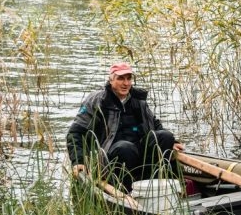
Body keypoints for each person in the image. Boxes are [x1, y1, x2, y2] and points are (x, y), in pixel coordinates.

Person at [67, 62, 183, 191]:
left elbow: (154, 124)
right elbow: (75, 133)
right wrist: (78, 160)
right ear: (111, 80)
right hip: (112, 157)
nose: (126, 83)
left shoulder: (138, 100)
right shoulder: (97, 101)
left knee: (165, 136)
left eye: (129, 78)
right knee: (125, 148)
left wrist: (171, 142)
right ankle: (125, 190)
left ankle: (153, 184)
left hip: (140, 154)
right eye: (121, 78)